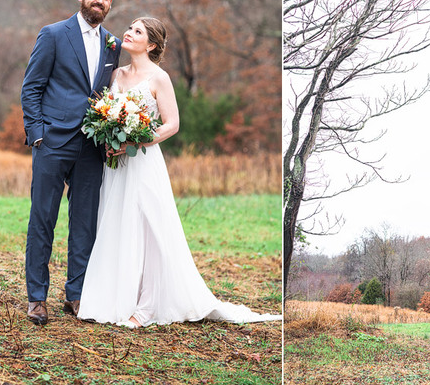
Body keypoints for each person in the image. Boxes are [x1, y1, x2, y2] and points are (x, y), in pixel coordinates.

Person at [77, 17, 282, 327]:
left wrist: (135, 139)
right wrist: (110, 135)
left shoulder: (160, 78)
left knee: (149, 228)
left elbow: (172, 124)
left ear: (152, 45)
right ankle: (114, 299)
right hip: (116, 165)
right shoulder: (116, 74)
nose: (128, 33)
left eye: (137, 32)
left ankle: (146, 307)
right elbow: (105, 112)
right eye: (130, 28)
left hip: (143, 161)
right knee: (116, 222)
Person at [21, 0, 122, 325]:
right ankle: (37, 298)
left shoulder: (113, 44)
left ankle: (76, 295)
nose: (100, 0)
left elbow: (108, 95)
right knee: (42, 220)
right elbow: (31, 87)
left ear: (110, 3)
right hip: (52, 143)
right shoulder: (53, 34)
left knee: (84, 225)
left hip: (92, 148)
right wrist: (37, 134)